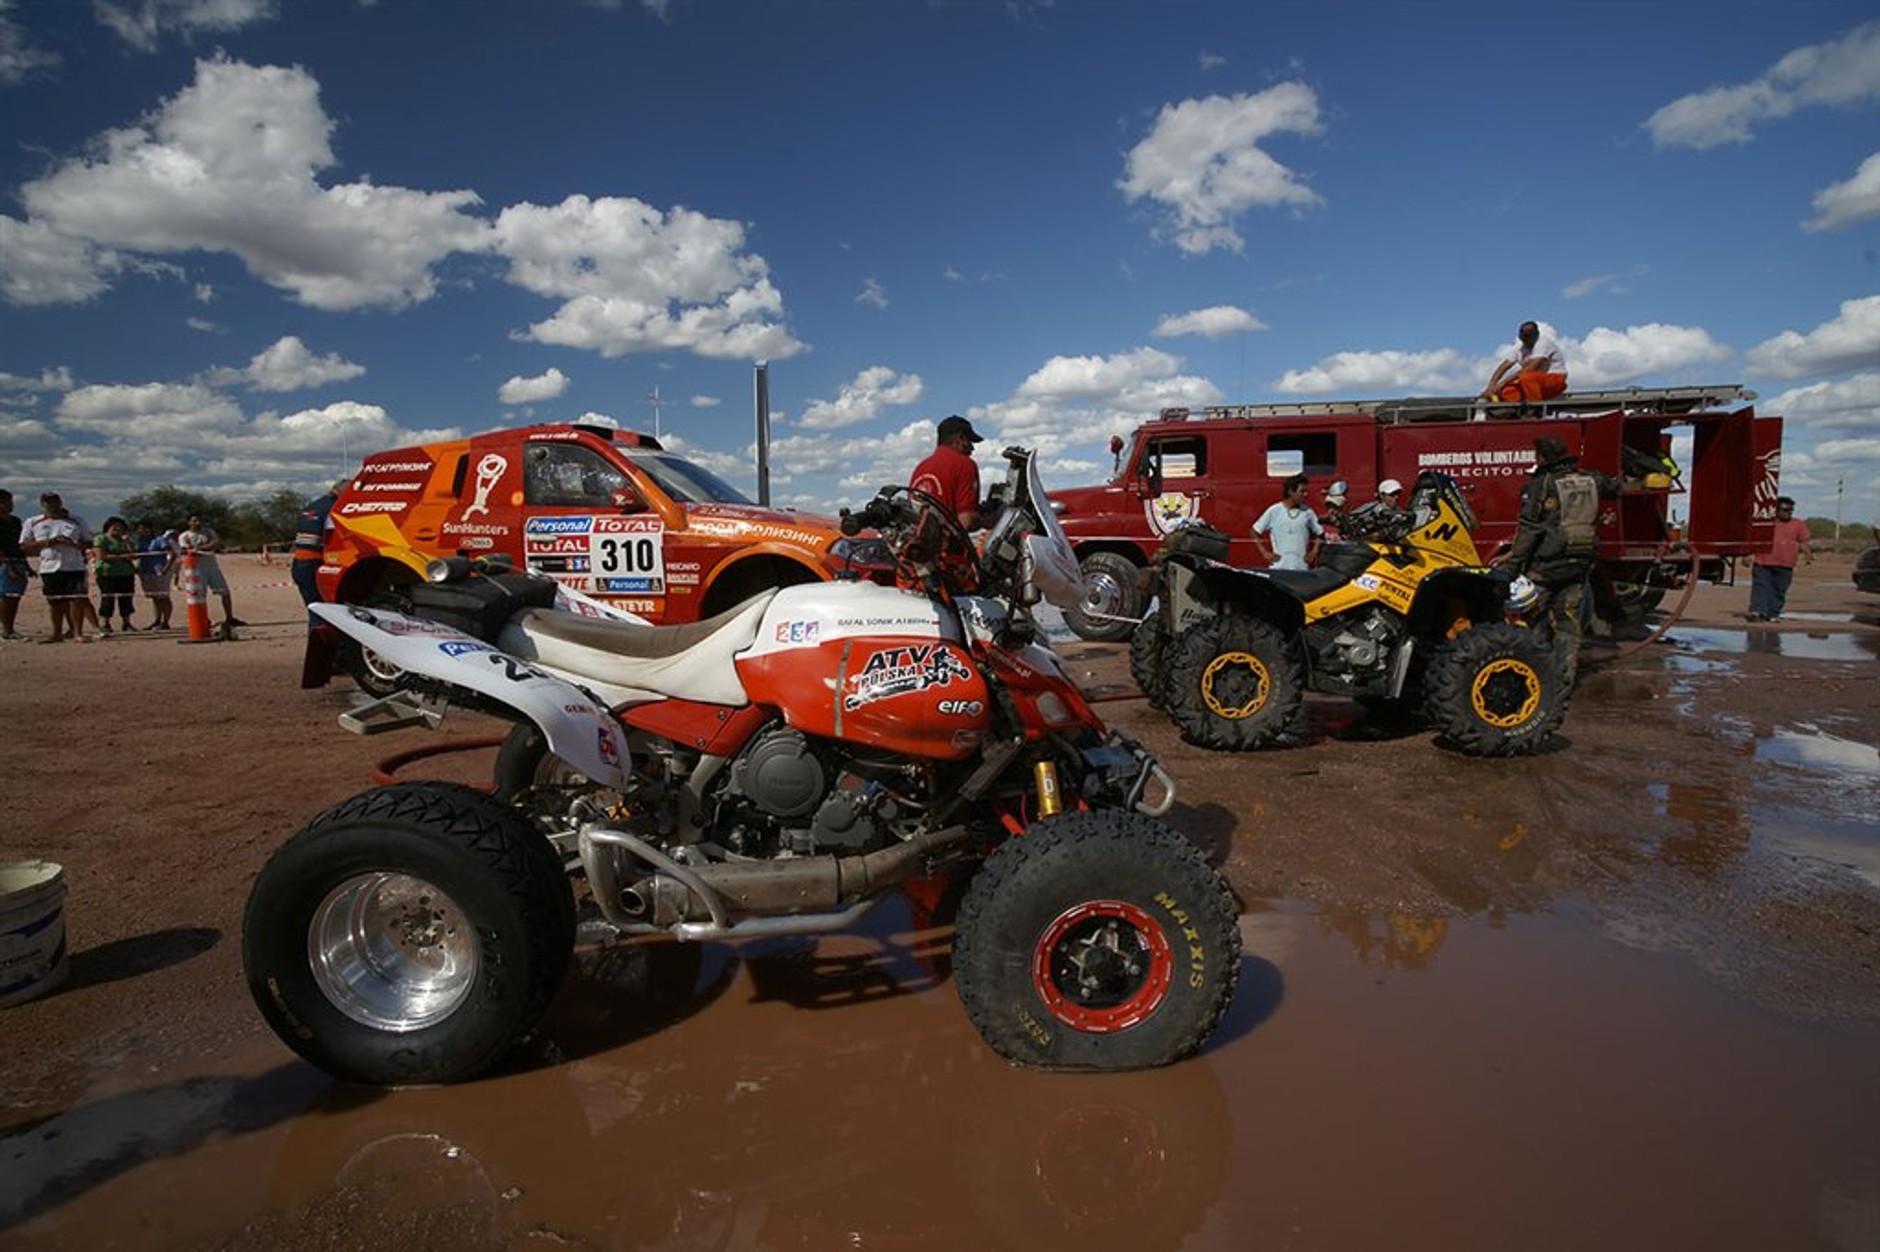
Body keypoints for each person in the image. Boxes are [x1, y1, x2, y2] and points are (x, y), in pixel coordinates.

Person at [1499, 436, 1620, 683]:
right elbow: (1617, 488)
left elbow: (1529, 529)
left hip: (1544, 569)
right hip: (1579, 567)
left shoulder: (1540, 484)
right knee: (1569, 624)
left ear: (1541, 458)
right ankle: (1564, 679)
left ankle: (1529, 678)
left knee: (1530, 622)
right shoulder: (1593, 480)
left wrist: (1511, 566)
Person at [19, 491, 94, 643]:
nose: (52, 504)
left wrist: (74, 544)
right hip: (49, 566)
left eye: (54, 501)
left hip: (74, 566)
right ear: (43, 504)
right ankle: (57, 633)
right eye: (48, 502)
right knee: (55, 601)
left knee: (77, 599)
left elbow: (89, 542)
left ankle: (77, 633)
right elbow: (24, 545)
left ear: (60, 502)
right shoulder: (33, 522)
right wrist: (47, 543)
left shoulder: (76, 520)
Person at [910, 414, 985, 530]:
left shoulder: (920, 468)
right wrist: (987, 521)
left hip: (918, 546)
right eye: (970, 441)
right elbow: (966, 520)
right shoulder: (965, 464)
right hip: (948, 547)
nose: (972, 448)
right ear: (960, 439)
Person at [1747, 496, 1813, 622]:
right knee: (1761, 587)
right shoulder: (1765, 523)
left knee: (1779, 590)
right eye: (1785, 509)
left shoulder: (1798, 524)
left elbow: (1803, 542)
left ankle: (1772, 613)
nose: (1788, 512)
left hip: (1785, 564)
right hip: (1763, 562)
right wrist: (1747, 555)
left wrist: (1808, 555)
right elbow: (1754, 540)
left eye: (1791, 510)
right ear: (1775, 510)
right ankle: (1757, 612)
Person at [177, 513, 243, 629]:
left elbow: (215, 543)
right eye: (194, 520)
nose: (197, 523)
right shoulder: (184, 536)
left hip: (212, 567)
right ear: (189, 523)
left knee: (225, 592)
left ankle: (230, 617)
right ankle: (204, 619)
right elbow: (185, 549)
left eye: (199, 520)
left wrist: (200, 548)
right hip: (196, 569)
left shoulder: (208, 531)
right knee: (200, 596)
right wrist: (200, 548)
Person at [1481, 320, 1569, 406]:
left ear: (1536, 334)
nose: (1524, 339)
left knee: (1526, 376)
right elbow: (1504, 367)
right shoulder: (1520, 347)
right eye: (1522, 336)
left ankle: (1535, 409)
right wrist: (1491, 387)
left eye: (1527, 336)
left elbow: (1530, 368)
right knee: (1505, 391)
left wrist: (1503, 382)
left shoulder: (1543, 343)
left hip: (1554, 381)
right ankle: (1513, 413)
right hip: (1533, 386)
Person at [291, 480, 345, 618]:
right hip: (315, 562)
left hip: (298, 563)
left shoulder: (312, 506)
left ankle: (316, 637)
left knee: (314, 608)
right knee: (325, 611)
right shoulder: (335, 507)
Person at [1251, 473, 1324, 571]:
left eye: (1306, 491)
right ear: (1291, 492)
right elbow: (1254, 531)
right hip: (1278, 568)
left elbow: (1320, 533)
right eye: (1302, 491)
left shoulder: (1308, 512)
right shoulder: (1274, 510)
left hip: (1301, 569)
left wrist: (1313, 552)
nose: (1305, 494)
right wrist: (1265, 553)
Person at [92, 515, 138, 634]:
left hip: (126, 573)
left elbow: (133, 555)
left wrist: (127, 543)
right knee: (107, 598)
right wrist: (121, 556)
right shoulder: (101, 538)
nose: (117, 529)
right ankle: (105, 623)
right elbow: (100, 556)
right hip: (107, 574)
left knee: (126, 598)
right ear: (108, 527)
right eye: (115, 526)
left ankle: (127, 623)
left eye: (120, 527)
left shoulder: (124, 540)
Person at [1, 489, 32, 640]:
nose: (10, 505)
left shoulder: (14, 521)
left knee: (15, 597)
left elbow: (20, 545)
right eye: (7, 502)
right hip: (5, 563)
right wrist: (9, 566)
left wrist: (27, 566)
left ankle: (10, 628)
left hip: (18, 561)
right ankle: (7, 631)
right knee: (7, 597)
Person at [134, 520, 177, 630]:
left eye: (144, 528)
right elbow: (139, 555)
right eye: (140, 528)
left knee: (163, 597)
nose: (142, 530)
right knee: (155, 597)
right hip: (146, 571)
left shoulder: (159, 540)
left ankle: (166, 621)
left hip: (159, 571)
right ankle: (157, 620)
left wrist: (166, 569)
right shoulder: (140, 541)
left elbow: (172, 553)